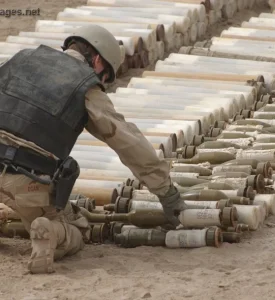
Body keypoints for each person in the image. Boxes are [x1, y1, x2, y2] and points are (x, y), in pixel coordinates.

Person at [0, 25, 186, 274]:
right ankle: (52, 232)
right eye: (106, 76)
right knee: (76, 229)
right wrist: (166, 192)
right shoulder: (85, 86)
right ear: (97, 60)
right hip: (27, 179)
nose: (103, 82)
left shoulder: (21, 58)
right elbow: (127, 141)